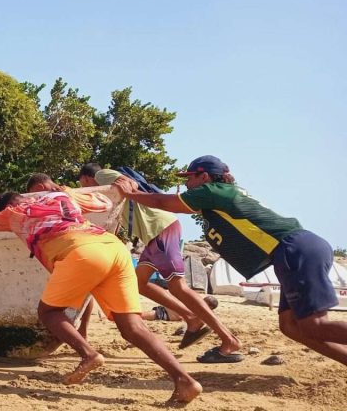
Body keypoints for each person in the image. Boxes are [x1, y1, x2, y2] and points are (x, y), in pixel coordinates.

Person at [0, 175, 202, 405]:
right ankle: (185, 381)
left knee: (49, 313)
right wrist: (68, 191)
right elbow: (104, 202)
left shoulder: (11, 212)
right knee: (132, 326)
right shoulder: (63, 196)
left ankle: (88, 354)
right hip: (113, 248)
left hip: (80, 252)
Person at [114, 155, 347, 367]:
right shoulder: (224, 194)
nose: (186, 184)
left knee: (313, 325)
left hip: (294, 249)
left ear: (204, 176)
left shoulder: (213, 190)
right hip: (296, 249)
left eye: (189, 178)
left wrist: (130, 194)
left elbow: (165, 202)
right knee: (291, 327)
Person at [79, 166, 241, 359]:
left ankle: (228, 339)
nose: (83, 188)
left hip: (160, 228)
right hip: (153, 235)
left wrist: (127, 187)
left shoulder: (101, 175)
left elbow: (129, 183)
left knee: (177, 286)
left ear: (87, 178)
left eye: (82, 184)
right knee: (139, 283)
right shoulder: (108, 198)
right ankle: (190, 317)